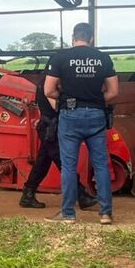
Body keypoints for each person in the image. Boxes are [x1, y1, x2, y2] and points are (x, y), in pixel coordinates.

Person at [43, 22, 118, 225]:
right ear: (91, 38)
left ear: (73, 37)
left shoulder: (60, 58)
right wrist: (94, 100)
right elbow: (113, 92)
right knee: (101, 164)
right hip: (96, 115)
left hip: (70, 115)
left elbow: (48, 90)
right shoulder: (103, 58)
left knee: (69, 165)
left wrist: (66, 97)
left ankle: (68, 213)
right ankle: (105, 213)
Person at [18, 79, 97, 211]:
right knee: (63, 162)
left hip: (48, 127)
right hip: (51, 128)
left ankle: (28, 194)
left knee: (43, 162)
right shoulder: (50, 85)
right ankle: (81, 195)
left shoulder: (44, 83)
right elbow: (57, 107)